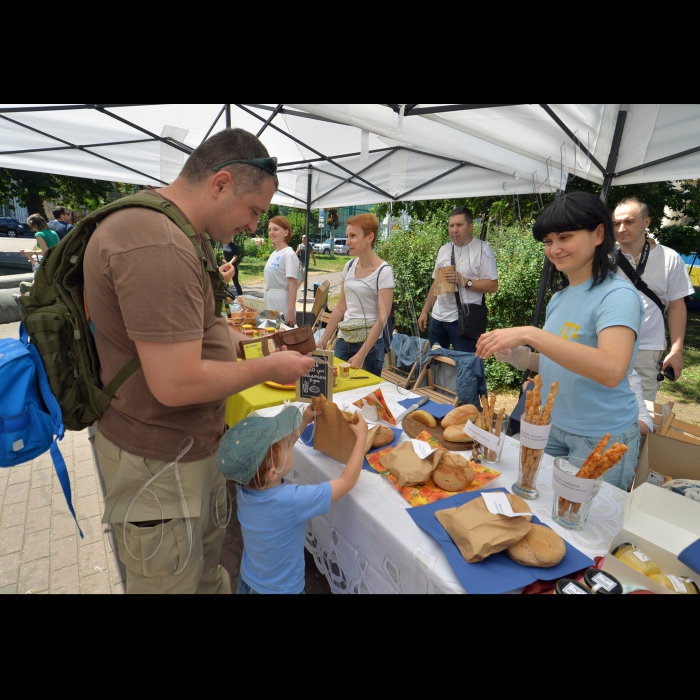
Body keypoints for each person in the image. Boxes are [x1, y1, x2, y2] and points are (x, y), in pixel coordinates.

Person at [83, 128, 316, 594]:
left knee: (204, 576)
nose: (253, 226)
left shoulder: (170, 230)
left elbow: (193, 326)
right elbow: (176, 383)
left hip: (175, 459)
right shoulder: (160, 245)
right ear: (221, 183)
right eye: (253, 211)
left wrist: (251, 343)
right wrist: (270, 368)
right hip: (162, 466)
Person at [478, 191, 644, 491]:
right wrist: (520, 356)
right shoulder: (561, 297)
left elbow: (611, 369)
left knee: (582, 528)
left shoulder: (618, 295)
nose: (554, 249)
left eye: (564, 237)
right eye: (548, 241)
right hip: (552, 427)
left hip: (601, 438)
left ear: (598, 233)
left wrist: (531, 333)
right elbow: (559, 360)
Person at [218, 403, 368, 594]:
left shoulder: (245, 487)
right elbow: (347, 481)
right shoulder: (292, 501)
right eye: (287, 446)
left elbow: (275, 457)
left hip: (249, 583)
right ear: (273, 472)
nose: (290, 444)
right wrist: (361, 438)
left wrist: (304, 421)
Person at [612, 197, 694, 401]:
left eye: (629, 222)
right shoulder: (603, 258)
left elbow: (677, 306)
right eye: (616, 223)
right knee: (599, 404)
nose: (621, 228)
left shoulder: (669, 257)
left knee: (641, 414)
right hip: (605, 344)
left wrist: (676, 350)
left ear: (646, 222)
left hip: (647, 348)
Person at [320, 214, 395, 376]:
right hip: (343, 340)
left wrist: (362, 353)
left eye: (353, 236)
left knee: (363, 395)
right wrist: (324, 338)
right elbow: (340, 307)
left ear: (369, 237)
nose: (347, 241)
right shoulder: (349, 266)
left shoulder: (384, 271)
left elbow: (382, 318)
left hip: (370, 346)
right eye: (347, 236)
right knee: (335, 388)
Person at [418, 207, 498, 353]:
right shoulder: (444, 249)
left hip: (464, 321)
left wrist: (465, 282)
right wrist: (425, 311)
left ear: (471, 226)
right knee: (433, 367)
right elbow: (437, 284)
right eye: (451, 225)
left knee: (466, 368)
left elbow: (493, 286)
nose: (454, 229)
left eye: (459, 225)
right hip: (438, 318)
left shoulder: (483, 249)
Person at [264, 216, 299, 326]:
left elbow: (293, 283)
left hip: (281, 303)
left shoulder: (288, 254)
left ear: (285, 232)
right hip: (270, 302)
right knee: (269, 337)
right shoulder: (274, 254)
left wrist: (290, 311)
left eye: (275, 229)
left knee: (280, 337)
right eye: (270, 230)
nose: (272, 232)